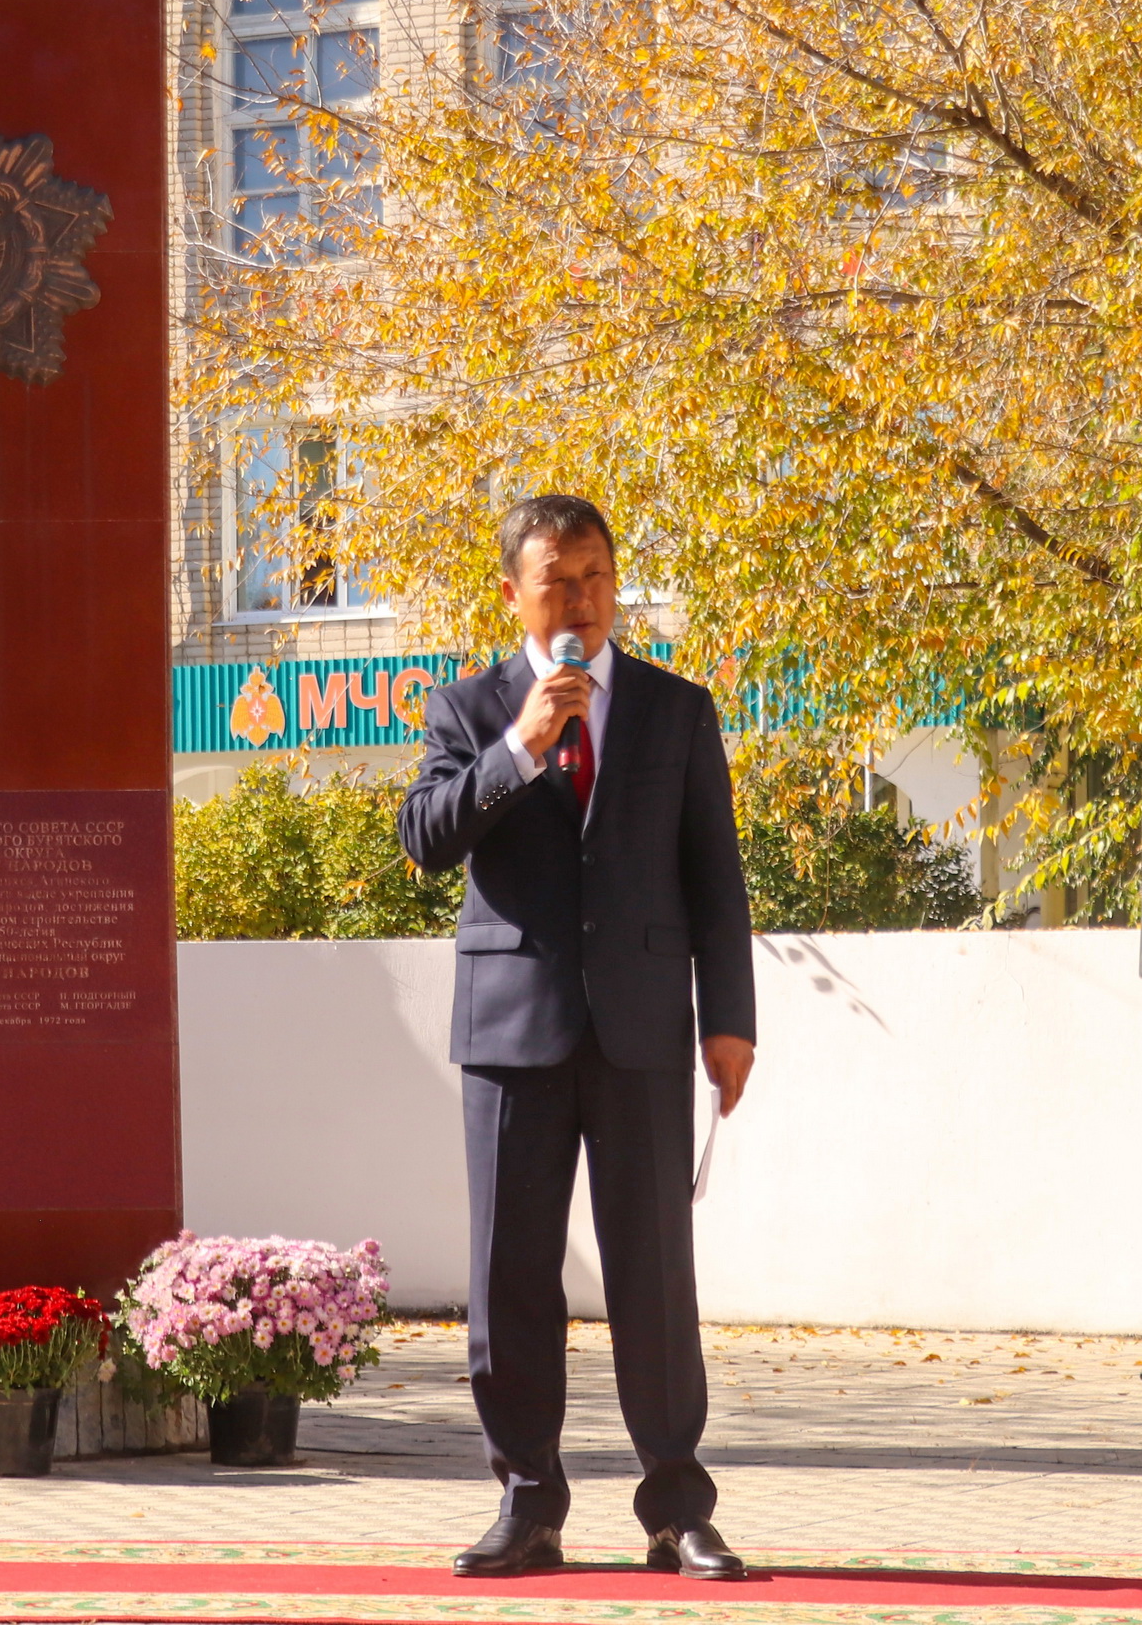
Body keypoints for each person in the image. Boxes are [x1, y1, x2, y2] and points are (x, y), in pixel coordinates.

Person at [398, 494, 756, 1581]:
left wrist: (729, 1019)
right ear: (515, 592)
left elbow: (714, 873)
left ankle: (676, 1507)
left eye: (598, 575)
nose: (583, 598)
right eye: (558, 580)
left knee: (655, 1274)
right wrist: (521, 745)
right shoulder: (467, 708)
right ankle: (527, 1503)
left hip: (643, 1028)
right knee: (511, 1277)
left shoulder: (675, 708)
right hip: (513, 1033)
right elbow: (427, 836)